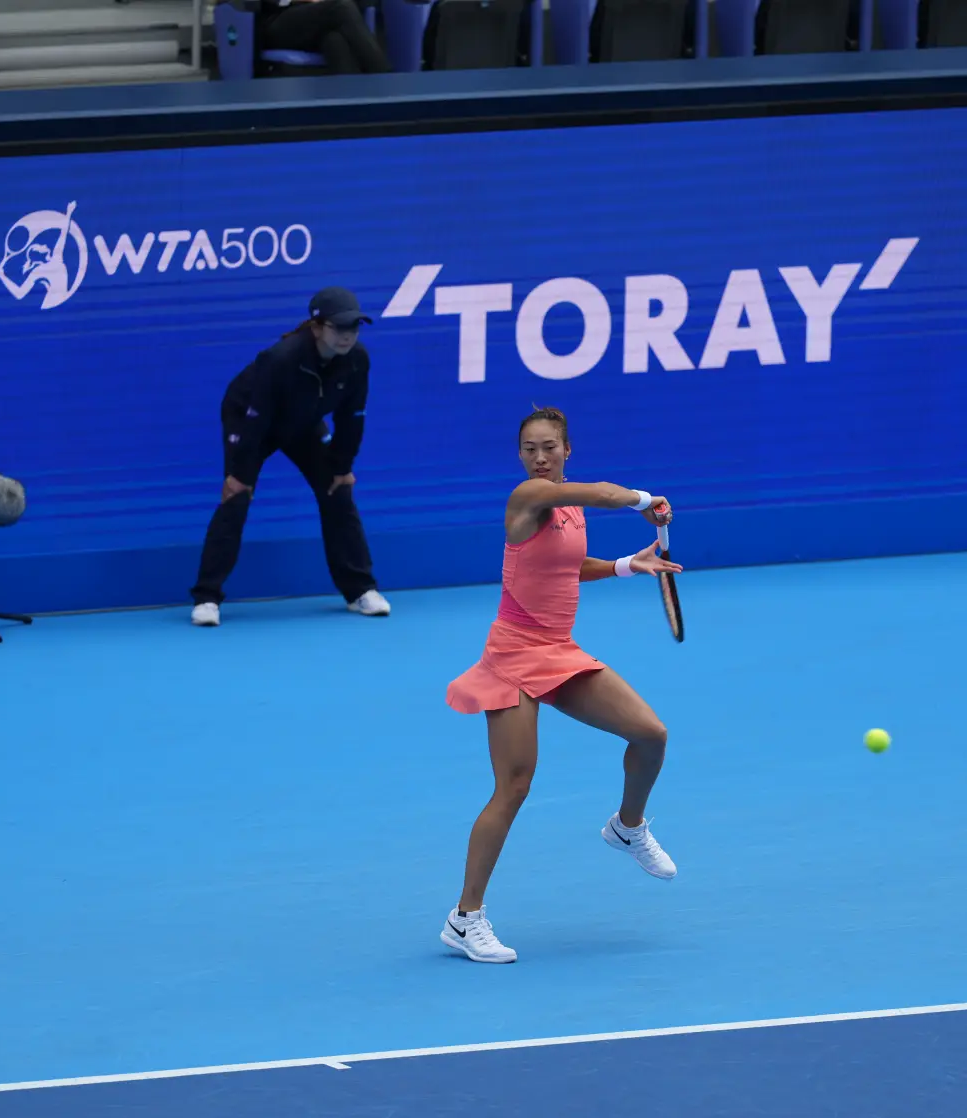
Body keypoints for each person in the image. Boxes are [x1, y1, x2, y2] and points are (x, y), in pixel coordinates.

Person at [440, 406, 684, 964]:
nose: (539, 457)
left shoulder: (568, 506)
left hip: (558, 652)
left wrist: (626, 565)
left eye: (549, 447)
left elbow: (562, 567)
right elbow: (602, 492)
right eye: (529, 448)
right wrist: (646, 501)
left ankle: (627, 827)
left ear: (566, 449)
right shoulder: (529, 496)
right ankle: (465, 918)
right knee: (515, 786)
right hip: (512, 655)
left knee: (650, 734)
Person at [190, 286, 389, 625]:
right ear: (316, 328)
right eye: (339, 327)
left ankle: (360, 591)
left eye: (353, 327)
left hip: (303, 422)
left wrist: (342, 466)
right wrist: (239, 472)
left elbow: (352, 417)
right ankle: (207, 598)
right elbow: (256, 418)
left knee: (337, 490)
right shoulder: (280, 359)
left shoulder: (358, 360)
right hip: (251, 418)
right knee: (237, 496)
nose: (347, 335)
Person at [255, 0, 387, 75]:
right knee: (342, 7)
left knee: (335, 40)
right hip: (277, 22)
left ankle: (354, 111)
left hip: (320, 21)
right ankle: (385, 79)